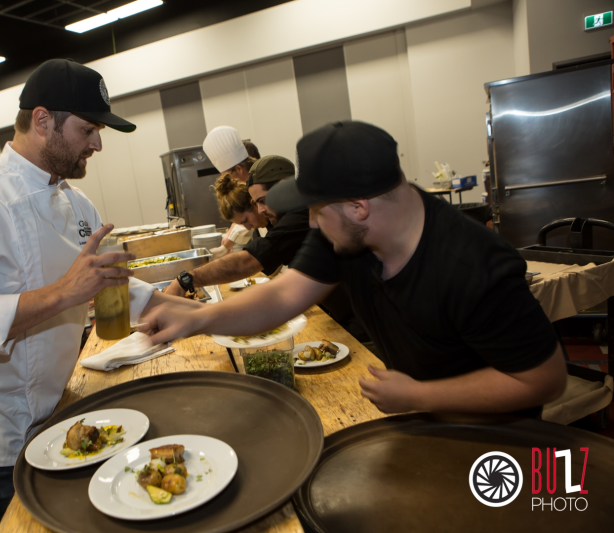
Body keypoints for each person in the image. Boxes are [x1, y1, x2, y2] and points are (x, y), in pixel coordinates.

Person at [0, 59, 196, 533]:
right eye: (88, 130)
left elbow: (112, 288)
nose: (98, 144)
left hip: (57, 409)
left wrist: (209, 315)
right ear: (43, 120)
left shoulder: (77, 203)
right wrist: (64, 293)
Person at [142, 121, 567, 416]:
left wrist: (421, 396)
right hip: (419, 417)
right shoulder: (344, 233)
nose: (310, 223)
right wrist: (196, 318)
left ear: (358, 206)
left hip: (492, 442)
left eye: (315, 210)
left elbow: (544, 380)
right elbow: (283, 296)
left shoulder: (473, 266)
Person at [163, 155, 311, 297]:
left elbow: (247, 261)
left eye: (262, 201)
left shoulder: (299, 216)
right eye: (257, 203)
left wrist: (186, 280)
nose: (260, 210)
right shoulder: (282, 217)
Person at [202, 126, 260, 252]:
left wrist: (224, 247)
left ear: (238, 169)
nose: (229, 181)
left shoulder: (260, 183)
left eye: (228, 175)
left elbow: (248, 218)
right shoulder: (250, 182)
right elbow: (244, 217)